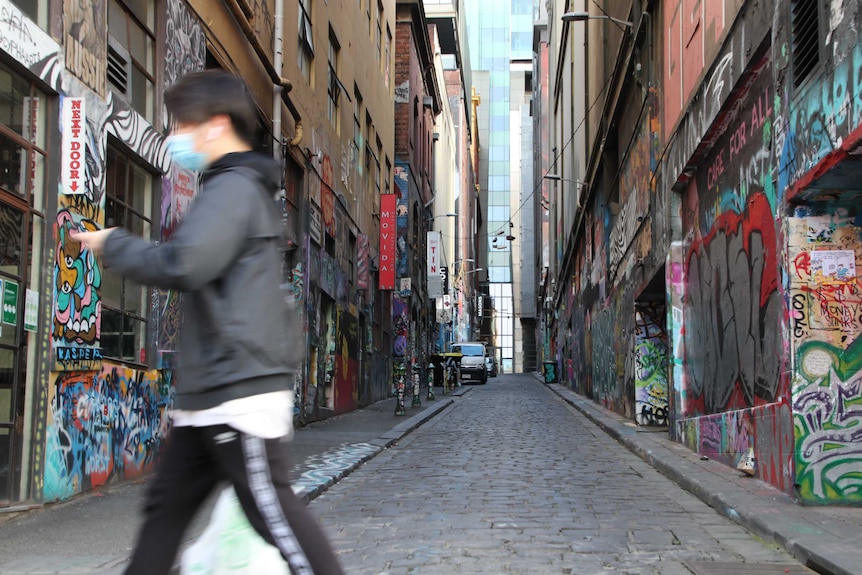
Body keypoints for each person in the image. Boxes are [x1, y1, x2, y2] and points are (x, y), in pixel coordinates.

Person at [71, 70, 344, 575]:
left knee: (276, 518)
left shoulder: (234, 188)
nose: (175, 137)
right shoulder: (229, 185)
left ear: (216, 126)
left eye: (183, 125)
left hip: (239, 395)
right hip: (208, 398)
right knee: (163, 515)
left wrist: (114, 244)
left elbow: (186, 263)